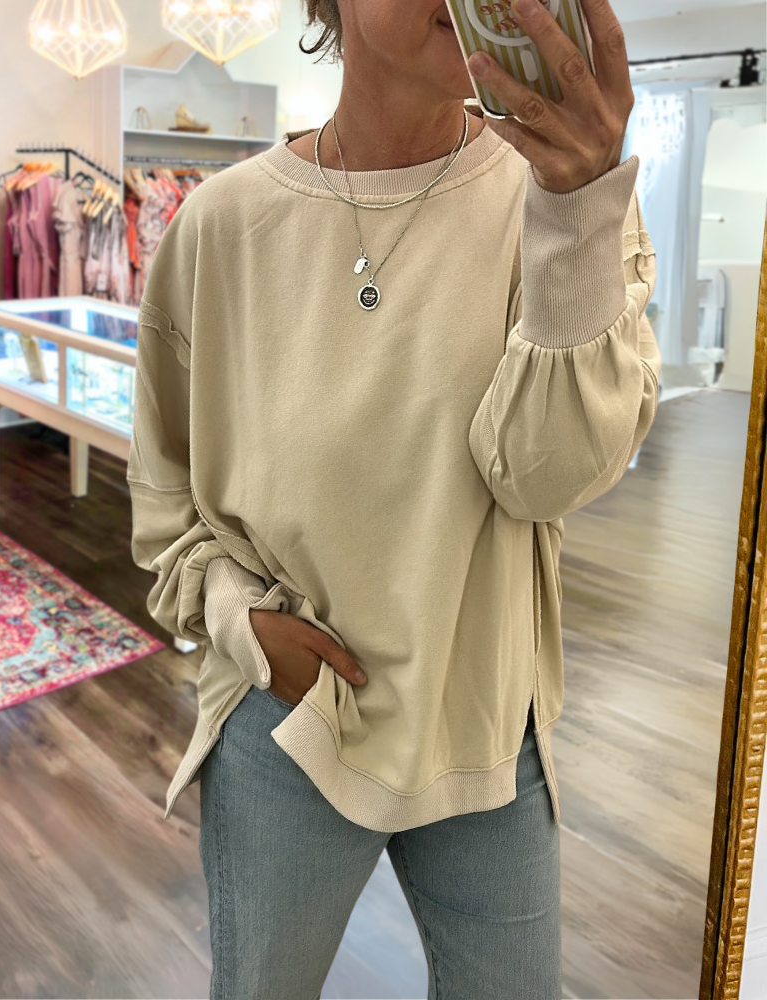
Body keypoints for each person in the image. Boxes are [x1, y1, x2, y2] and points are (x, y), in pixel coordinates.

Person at [126, 0, 662, 997]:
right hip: (290, 715)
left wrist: (576, 213)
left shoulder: (560, 194)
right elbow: (166, 495)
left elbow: (544, 476)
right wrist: (239, 619)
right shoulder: (222, 224)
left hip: (486, 720)